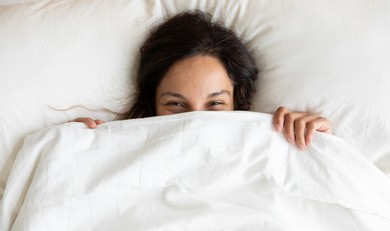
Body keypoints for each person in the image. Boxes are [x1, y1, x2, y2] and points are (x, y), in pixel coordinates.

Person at [72, 10, 331, 151]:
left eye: (215, 104)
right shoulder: (121, 149)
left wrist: (318, 144)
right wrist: (77, 147)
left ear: (236, 99)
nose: (197, 120)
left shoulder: (269, 143)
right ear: (153, 102)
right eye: (176, 104)